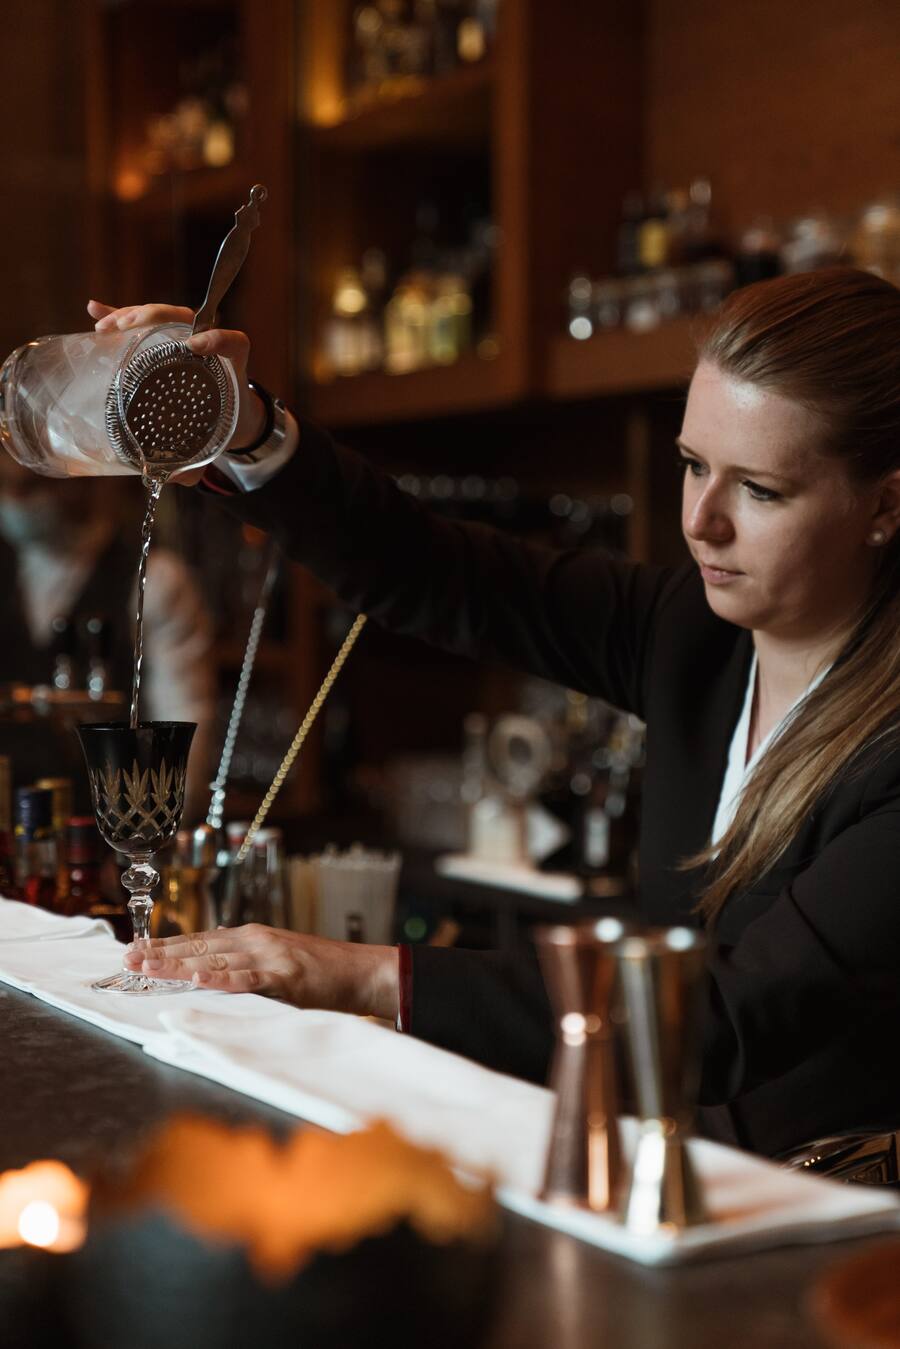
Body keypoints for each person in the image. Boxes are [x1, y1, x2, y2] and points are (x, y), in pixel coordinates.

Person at [92, 268, 900, 1160]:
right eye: (693, 465)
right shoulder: (695, 633)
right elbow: (438, 572)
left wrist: (361, 973)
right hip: (679, 1169)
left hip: (839, 1213)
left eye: (760, 489)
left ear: (885, 504)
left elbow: (723, 1015)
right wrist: (245, 427)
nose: (702, 522)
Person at [0, 459, 216, 818]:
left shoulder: (155, 579)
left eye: (30, 486)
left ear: (82, 479)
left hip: (105, 825)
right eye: (5, 486)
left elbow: (184, 719)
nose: (13, 500)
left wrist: (160, 827)